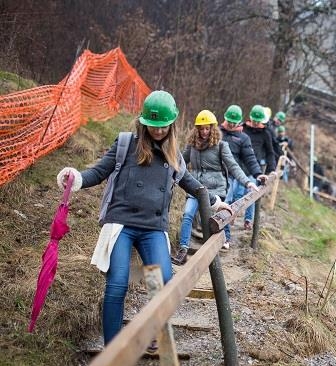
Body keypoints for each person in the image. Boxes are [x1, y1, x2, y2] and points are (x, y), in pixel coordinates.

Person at [56, 90, 231, 346]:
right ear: (144, 122)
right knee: (117, 284)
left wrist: (215, 202)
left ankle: (149, 332)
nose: (157, 131)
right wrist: (77, 178)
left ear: (171, 125)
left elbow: (191, 184)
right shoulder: (127, 144)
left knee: (160, 282)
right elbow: (99, 171)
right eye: (152, 126)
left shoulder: (173, 155)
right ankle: (112, 347)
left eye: (162, 127)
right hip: (122, 225)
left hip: (152, 228)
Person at [172, 110, 259, 265]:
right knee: (187, 214)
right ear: (196, 128)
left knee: (212, 222)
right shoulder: (192, 145)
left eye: (207, 128)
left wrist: (247, 182)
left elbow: (233, 166)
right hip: (196, 188)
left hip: (215, 190)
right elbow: (179, 163)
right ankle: (183, 250)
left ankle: (212, 256)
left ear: (212, 128)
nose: (204, 132)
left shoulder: (221, 146)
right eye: (201, 128)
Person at [219, 104, 266, 248]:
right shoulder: (217, 132)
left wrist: (258, 174)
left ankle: (225, 238)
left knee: (226, 203)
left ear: (239, 122)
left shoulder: (243, 138)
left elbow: (250, 158)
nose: (231, 125)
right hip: (213, 172)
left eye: (234, 123)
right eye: (229, 122)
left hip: (230, 176)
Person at [242, 105, 276, 229]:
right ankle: (231, 216)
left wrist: (271, 169)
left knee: (251, 192)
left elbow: (270, 152)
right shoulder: (243, 128)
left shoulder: (266, 133)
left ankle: (248, 219)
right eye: (254, 120)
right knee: (236, 193)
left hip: (256, 167)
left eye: (258, 121)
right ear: (250, 118)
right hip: (241, 164)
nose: (256, 123)